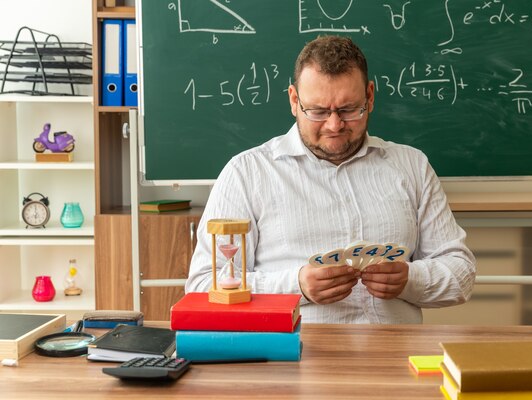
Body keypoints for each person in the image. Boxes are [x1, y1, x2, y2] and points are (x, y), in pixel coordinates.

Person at [186, 35, 476, 324]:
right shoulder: (247, 173)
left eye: (349, 109)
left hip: (396, 357)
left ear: (370, 96)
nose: (334, 125)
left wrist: (410, 280)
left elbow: (461, 274)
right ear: (294, 101)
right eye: (318, 111)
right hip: (295, 355)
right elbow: (202, 287)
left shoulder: (412, 166)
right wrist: (296, 286)